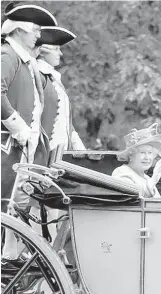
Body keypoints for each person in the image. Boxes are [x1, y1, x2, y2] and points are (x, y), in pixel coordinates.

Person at [1, 2, 57, 268]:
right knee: (5, 205)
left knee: (17, 204)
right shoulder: (8, 55)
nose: (38, 36)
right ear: (20, 29)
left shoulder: (22, 60)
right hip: (7, 143)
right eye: (34, 29)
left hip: (20, 146)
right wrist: (17, 125)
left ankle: (9, 257)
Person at [35, 26, 86, 157]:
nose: (61, 53)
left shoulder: (54, 79)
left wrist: (78, 146)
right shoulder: (38, 76)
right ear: (42, 51)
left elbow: (64, 120)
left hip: (61, 154)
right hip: (43, 154)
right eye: (56, 49)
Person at [112, 123, 161, 198]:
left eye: (150, 153)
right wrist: (150, 185)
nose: (147, 157)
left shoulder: (147, 178)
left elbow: (158, 205)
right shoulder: (122, 173)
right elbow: (130, 201)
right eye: (142, 153)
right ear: (131, 155)